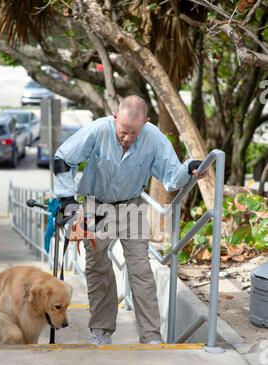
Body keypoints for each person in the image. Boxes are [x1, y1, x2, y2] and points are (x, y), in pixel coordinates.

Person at [54, 95, 207, 345]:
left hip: (131, 206)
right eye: (123, 131)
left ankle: (150, 337)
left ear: (145, 122)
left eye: (134, 133)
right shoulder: (98, 130)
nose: (127, 138)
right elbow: (63, 158)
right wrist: (67, 201)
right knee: (98, 268)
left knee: (141, 270)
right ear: (115, 117)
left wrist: (190, 167)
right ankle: (101, 331)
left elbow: (170, 176)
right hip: (96, 206)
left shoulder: (153, 136)